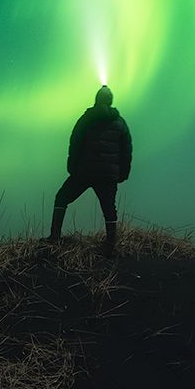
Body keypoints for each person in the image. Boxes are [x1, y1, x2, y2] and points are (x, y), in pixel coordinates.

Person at [44, 84, 132, 258]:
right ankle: (110, 246)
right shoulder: (120, 123)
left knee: (61, 198)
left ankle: (54, 237)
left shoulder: (86, 119)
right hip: (108, 175)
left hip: (84, 172)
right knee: (109, 209)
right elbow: (126, 150)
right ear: (111, 100)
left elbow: (75, 142)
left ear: (96, 99)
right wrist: (122, 174)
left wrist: (72, 168)